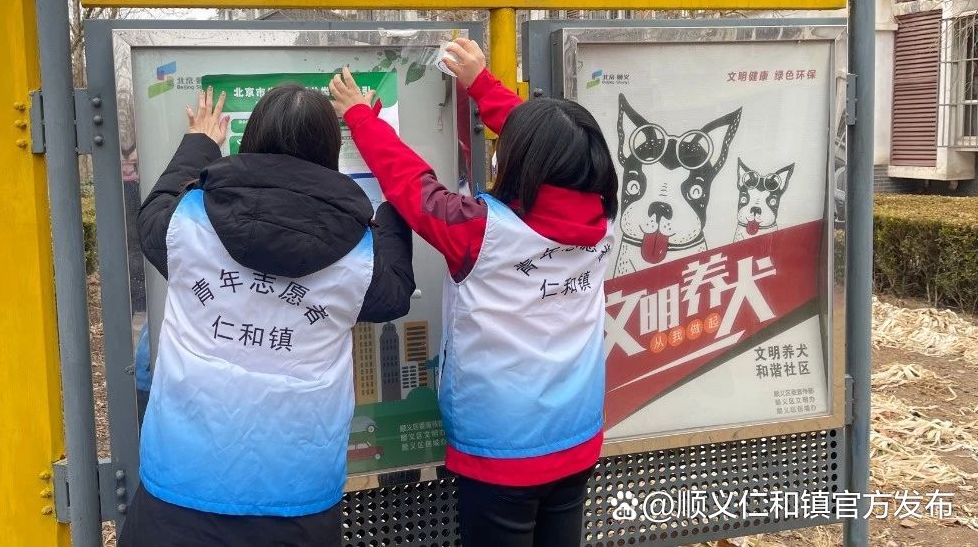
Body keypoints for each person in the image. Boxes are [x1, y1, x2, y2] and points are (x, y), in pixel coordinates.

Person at [330, 39, 618, 547]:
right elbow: (551, 150)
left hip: (502, 449)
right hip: (577, 433)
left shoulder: (479, 231)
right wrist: (481, 85)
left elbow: (411, 184)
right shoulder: (605, 217)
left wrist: (360, 118)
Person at [121, 85, 416, 547]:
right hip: (296, 504)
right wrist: (391, 201)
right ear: (330, 154)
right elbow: (396, 292)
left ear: (251, 140)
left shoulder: (186, 222)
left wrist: (199, 144)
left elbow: (152, 213)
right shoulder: (362, 255)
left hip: (178, 494)